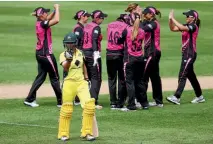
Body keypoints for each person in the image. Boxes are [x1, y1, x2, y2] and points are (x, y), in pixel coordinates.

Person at [58, 32, 96, 141]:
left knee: (89, 105)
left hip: (81, 83)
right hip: (69, 83)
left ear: (75, 43)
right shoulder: (63, 54)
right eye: (67, 43)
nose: (69, 45)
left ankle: (87, 132)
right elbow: (65, 68)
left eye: (71, 43)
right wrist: (69, 60)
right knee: (67, 109)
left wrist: (86, 77)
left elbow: (83, 65)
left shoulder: (80, 53)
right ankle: (63, 134)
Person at [24, 4, 62, 107]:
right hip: (46, 55)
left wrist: (53, 11)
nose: (46, 13)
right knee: (55, 77)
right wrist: (58, 9)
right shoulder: (43, 24)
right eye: (45, 12)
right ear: (41, 15)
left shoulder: (39, 22)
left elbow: (49, 18)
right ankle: (60, 102)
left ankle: (29, 99)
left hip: (40, 54)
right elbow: (56, 20)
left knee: (40, 77)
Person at [166, 9, 205, 105]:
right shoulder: (187, 25)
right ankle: (199, 96)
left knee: (182, 74)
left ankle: (176, 97)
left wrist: (173, 18)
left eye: (188, 16)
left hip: (190, 54)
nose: (186, 18)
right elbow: (172, 29)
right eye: (186, 16)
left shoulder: (193, 26)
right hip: (187, 54)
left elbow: (182, 28)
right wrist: (170, 20)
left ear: (193, 18)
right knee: (191, 76)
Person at [118, 13, 148, 111]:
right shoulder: (142, 31)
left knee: (129, 82)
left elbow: (119, 41)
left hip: (129, 59)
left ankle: (131, 105)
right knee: (139, 81)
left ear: (130, 20)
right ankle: (144, 103)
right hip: (139, 58)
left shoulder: (127, 30)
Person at [63, 10, 91, 106]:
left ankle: (77, 98)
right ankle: (76, 98)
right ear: (81, 17)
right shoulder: (78, 29)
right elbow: (76, 44)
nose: (88, 18)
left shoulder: (81, 27)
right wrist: (78, 54)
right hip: (76, 55)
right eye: (86, 16)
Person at [82, 10, 108, 109]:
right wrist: (96, 53)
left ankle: (88, 99)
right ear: (97, 18)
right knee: (96, 78)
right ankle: (93, 101)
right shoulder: (96, 27)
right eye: (102, 18)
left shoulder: (87, 25)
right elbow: (93, 39)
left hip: (85, 53)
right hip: (92, 55)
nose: (103, 20)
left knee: (90, 78)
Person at [140, 6, 163, 107]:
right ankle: (158, 101)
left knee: (144, 76)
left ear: (150, 14)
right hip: (153, 52)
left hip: (151, 53)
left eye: (145, 14)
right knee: (154, 77)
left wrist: (139, 20)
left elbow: (141, 29)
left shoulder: (153, 24)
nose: (144, 16)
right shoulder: (150, 22)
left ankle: (142, 101)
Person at [106, 14, 129, 109]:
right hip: (119, 54)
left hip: (109, 54)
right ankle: (120, 101)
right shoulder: (125, 26)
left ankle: (113, 102)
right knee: (121, 78)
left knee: (111, 79)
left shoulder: (110, 24)